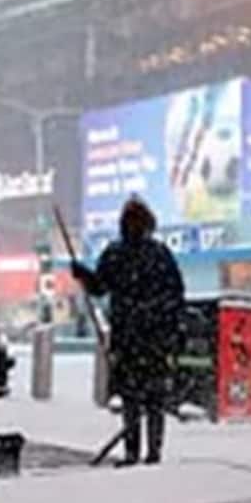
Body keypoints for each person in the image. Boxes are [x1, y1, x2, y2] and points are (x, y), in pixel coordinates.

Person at [72, 198, 185, 466]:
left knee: (132, 398)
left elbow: (99, 287)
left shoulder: (116, 253)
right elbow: (176, 296)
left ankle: (133, 452)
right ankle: (153, 453)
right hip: (152, 339)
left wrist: (84, 275)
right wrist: (171, 330)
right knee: (153, 400)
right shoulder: (159, 255)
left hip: (129, 338)